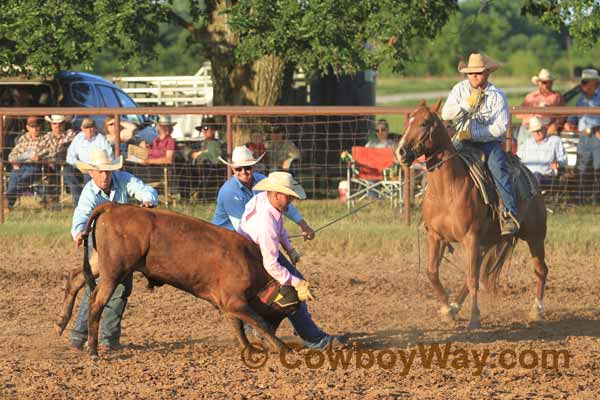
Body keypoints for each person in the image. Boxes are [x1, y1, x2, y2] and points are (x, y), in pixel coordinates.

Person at [237, 171, 342, 350]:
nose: (292, 200)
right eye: (289, 196)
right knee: (292, 293)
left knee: (283, 290)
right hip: (257, 257)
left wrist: (290, 248)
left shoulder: (264, 199)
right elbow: (270, 263)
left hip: (250, 253)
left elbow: (279, 229)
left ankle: (257, 327)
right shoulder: (266, 224)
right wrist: (297, 283)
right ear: (276, 194)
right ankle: (314, 339)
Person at [69, 149, 158, 352]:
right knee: (99, 286)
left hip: (125, 244)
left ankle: (106, 339)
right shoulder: (90, 192)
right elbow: (81, 215)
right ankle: (81, 337)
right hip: (101, 243)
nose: (104, 176)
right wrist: (79, 232)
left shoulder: (124, 179)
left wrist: (148, 199)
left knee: (118, 288)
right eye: (100, 172)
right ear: (91, 173)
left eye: (108, 172)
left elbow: (146, 190)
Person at [441, 52, 519, 235]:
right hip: (462, 140)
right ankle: (434, 211)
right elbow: (446, 114)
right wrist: (466, 105)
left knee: (497, 167)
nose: (473, 76)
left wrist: (472, 134)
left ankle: (509, 212)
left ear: (487, 73)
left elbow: (500, 127)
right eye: (470, 73)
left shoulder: (497, 96)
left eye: (478, 72)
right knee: (443, 164)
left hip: (488, 143)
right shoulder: (459, 89)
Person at [212, 145, 315, 237]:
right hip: (226, 239)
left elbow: (283, 202)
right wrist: (269, 234)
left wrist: (303, 225)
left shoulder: (262, 181)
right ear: (233, 169)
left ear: (253, 167)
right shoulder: (228, 192)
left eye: (247, 167)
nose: (243, 172)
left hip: (254, 235)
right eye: (239, 169)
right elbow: (242, 228)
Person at [564, 69, 600, 201]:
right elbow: (574, 116)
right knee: (582, 168)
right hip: (583, 136)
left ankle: (596, 197)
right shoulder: (580, 100)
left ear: (594, 83)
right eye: (583, 82)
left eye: (586, 82)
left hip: (597, 134)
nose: (583, 85)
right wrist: (569, 123)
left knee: (598, 167)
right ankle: (582, 197)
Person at [65, 118, 113, 204]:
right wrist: (78, 164)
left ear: (95, 128)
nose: (89, 130)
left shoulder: (100, 139)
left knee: (89, 176)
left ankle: (91, 201)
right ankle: (79, 200)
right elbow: (70, 156)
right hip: (80, 166)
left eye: (91, 127)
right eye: (86, 128)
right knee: (67, 171)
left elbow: (109, 155)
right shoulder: (78, 138)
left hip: (97, 167)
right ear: (82, 129)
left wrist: (96, 166)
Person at [4, 117, 47, 212]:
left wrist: (22, 157)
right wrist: (20, 159)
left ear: (41, 127)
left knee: (19, 179)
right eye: (32, 127)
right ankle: (7, 206)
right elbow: (12, 156)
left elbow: (40, 155)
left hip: (37, 166)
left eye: (37, 126)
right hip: (21, 165)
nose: (35, 129)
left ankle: (7, 200)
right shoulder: (23, 138)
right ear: (27, 127)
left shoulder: (45, 138)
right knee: (15, 176)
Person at [515, 68, 565, 150]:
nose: (544, 85)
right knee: (523, 133)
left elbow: (563, 114)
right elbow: (518, 114)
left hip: (546, 127)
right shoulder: (530, 97)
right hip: (529, 126)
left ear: (551, 83)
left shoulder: (557, 97)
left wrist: (555, 124)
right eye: (542, 82)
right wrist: (531, 115)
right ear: (538, 83)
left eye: (546, 82)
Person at [517, 116, 567, 185]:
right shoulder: (527, 142)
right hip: (529, 178)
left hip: (547, 177)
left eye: (539, 130)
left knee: (536, 177)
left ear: (544, 129)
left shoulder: (555, 141)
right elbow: (518, 158)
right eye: (534, 131)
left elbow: (563, 160)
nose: (537, 133)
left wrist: (557, 163)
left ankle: (533, 192)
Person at [40, 115, 77, 203]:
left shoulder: (70, 134)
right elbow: (40, 151)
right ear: (51, 125)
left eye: (60, 124)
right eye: (54, 124)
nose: (57, 126)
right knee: (45, 170)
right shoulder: (47, 137)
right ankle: (51, 199)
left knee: (69, 173)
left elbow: (70, 150)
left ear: (64, 124)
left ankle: (79, 202)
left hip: (66, 164)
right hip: (50, 165)